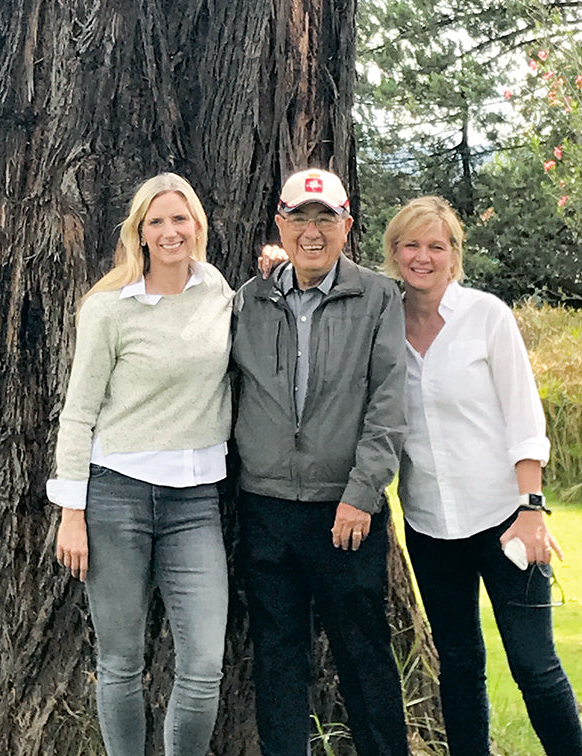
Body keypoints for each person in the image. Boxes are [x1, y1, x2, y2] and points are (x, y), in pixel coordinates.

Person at [381, 195, 582, 756]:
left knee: (533, 663)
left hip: (505, 522)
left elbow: (524, 417)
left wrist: (532, 509)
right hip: (428, 528)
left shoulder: (486, 316)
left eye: (436, 246)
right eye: (411, 245)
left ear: (454, 256)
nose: (422, 257)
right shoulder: (378, 324)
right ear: (394, 252)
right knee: (460, 666)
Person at [47, 173, 233, 756]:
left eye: (180, 218)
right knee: (121, 661)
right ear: (141, 234)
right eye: (157, 221)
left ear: (197, 226)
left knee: (204, 665)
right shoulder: (108, 310)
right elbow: (77, 415)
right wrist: (72, 513)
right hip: (116, 500)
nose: (170, 230)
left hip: (196, 503)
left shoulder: (221, 294)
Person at [231, 168, 410, 756]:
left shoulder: (379, 296)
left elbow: (388, 403)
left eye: (325, 219)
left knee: (363, 653)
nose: (312, 231)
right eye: (299, 219)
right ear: (280, 224)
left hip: (345, 510)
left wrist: (362, 492)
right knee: (279, 656)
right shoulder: (249, 300)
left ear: (346, 226)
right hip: (266, 507)